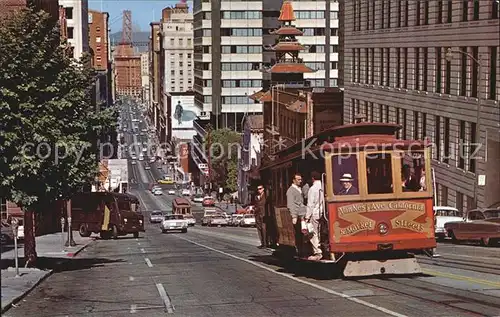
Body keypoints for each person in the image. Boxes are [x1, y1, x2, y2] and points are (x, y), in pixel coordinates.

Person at [305, 171, 323, 261]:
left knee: (313, 233)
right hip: (323, 212)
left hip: (315, 213)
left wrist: (307, 216)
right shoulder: (324, 186)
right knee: (320, 232)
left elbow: (310, 204)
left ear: (312, 178)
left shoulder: (312, 189)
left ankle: (317, 252)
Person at [254, 184, 267, 249]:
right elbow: (256, 205)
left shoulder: (266, 195)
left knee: (264, 228)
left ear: (263, 189)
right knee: (259, 229)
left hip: (264, 214)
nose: (259, 190)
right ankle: (262, 243)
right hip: (258, 214)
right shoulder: (256, 196)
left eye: (260, 188)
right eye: (258, 189)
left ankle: (265, 243)